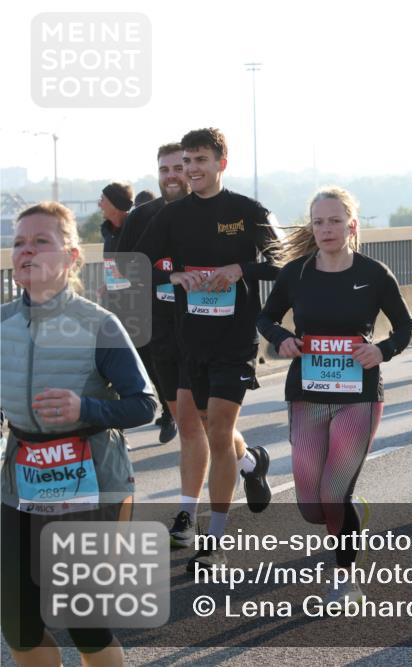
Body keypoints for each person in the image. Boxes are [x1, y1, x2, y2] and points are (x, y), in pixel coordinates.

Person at [1, 202, 156, 667]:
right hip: (22, 481)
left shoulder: (99, 324)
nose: (27, 251)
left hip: (91, 482)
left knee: (83, 621)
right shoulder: (2, 323)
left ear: (71, 257)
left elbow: (144, 404)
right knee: (17, 622)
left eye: (41, 241)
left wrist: (84, 408)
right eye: (19, 243)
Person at [258, 186, 412, 605]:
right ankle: (350, 511)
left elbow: (407, 326)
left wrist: (381, 350)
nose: (326, 229)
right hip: (307, 393)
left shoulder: (374, 274)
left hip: (358, 395)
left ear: (352, 225)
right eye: (318, 222)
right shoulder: (296, 274)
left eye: (334, 221)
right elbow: (266, 318)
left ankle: (344, 581)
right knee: (311, 507)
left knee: (333, 494)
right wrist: (281, 338)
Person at [135, 128, 275, 571]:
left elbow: (281, 262)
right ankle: (251, 461)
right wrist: (173, 277)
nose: (191, 169)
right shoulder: (173, 217)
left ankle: (213, 540)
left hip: (235, 340)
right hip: (189, 341)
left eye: (200, 161)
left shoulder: (246, 210)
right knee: (200, 424)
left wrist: (241, 269)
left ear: (221, 164)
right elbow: (135, 267)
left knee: (218, 430)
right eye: (187, 161)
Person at [115, 143, 191, 448]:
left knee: (211, 422)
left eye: (178, 168)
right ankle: (245, 462)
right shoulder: (141, 216)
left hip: (207, 326)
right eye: (164, 169)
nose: (171, 176)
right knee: (191, 426)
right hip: (159, 326)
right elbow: (123, 266)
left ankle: (241, 460)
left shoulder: (212, 213)